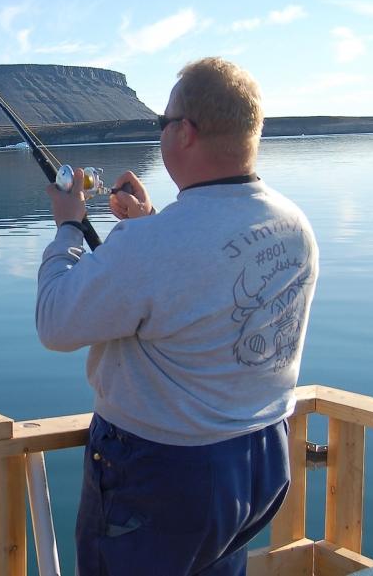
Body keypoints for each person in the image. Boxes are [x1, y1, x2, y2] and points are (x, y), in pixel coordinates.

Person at [37, 58, 319, 576]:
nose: (161, 131)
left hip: (161, 476)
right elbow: (207, 278)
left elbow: (55, 322)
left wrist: (69, 228)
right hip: (261, 459)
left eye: (162, 123)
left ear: (185, 133)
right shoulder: (293, 223)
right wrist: (148, 224)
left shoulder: (152, 245)